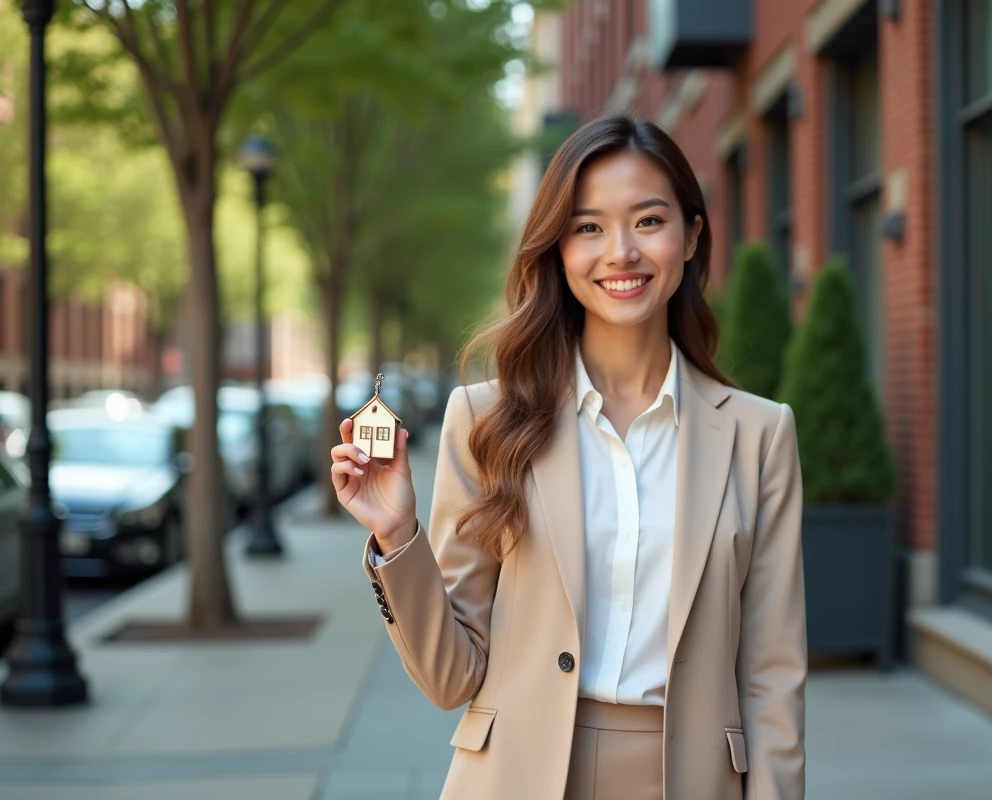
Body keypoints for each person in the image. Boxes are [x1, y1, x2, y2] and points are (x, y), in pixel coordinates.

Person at [332, 115, 806, 800]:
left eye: (648, 221)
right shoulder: (487, 421)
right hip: (517, 777)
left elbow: (773, 675)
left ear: (692, 236)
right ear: (556, 250)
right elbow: (451, 679)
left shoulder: (761, 435)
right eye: (588, 228)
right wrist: (397, 536)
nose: (621, 252)